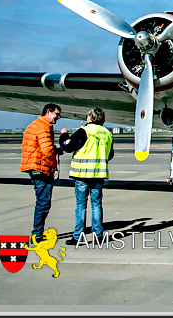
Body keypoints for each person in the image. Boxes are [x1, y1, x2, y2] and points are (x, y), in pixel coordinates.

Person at [60, 108, 114, 245]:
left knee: (81, 205)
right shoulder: (107, 133)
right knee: (96, 204)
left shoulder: (84, 131)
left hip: (82, 174)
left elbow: (67, 146)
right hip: (98, 174)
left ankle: (78, 236)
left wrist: (64, 135)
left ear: (90, 117)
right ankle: (99, 235)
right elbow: (110, 154)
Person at [20, 103, 66, 243]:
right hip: (40, 167)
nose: (59, 117)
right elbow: (46, 151)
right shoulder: (43, 127)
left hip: (34, 165)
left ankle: (37, 232)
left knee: (42, 200)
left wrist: (55, 150)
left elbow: (43, 147)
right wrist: (53, 167)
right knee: (43, 202)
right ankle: (37, 234)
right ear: (48, 112)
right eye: (57, 114)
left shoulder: (35, 124)